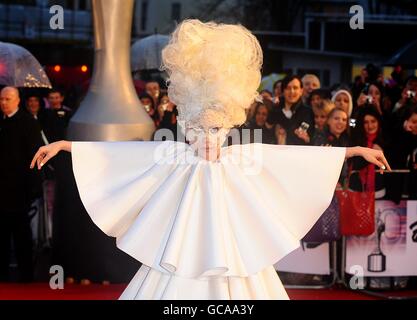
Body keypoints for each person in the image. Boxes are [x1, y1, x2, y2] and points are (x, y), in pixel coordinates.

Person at [30, 19, 391, 300]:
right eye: (196, 126)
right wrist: (66, 145)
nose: (205, 132)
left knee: (238, 258)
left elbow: (291, 158)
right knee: (178, 253)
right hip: (188, 188)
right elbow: (125, 155)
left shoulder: (241, 156)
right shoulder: (177, 151)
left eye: (215, 124)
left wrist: (354, 150)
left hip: (226, 191)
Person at [0, 87, 44, 282]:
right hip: (0, 189)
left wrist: (33, 188)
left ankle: (26, 276)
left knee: (22, 235)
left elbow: (35, 157)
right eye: (1, 99)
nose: (3, 102)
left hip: (20, 190)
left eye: (7, 99)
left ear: (18, 101)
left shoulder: (28, 123)